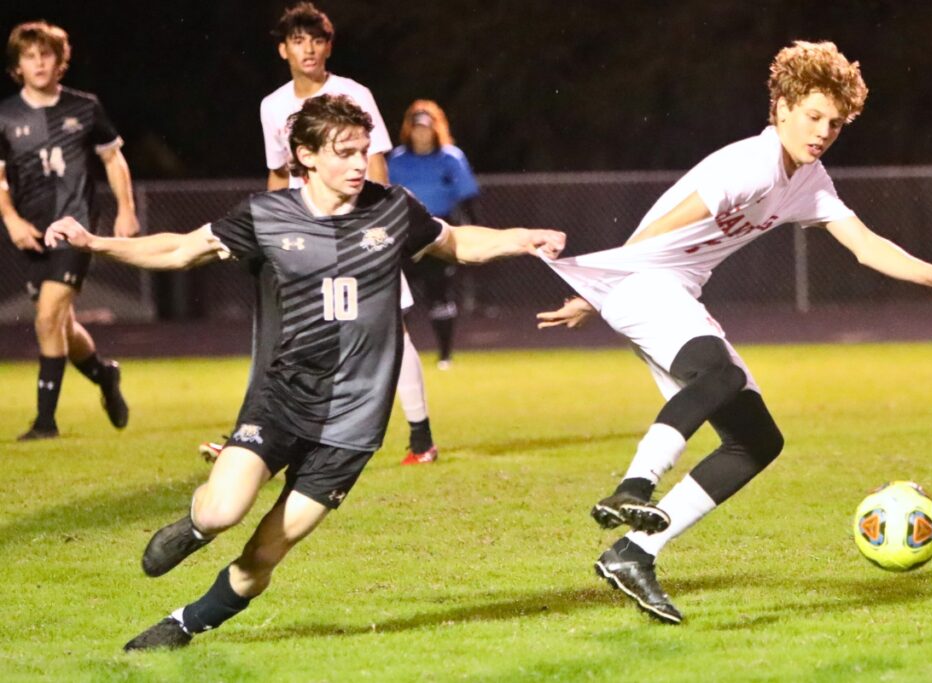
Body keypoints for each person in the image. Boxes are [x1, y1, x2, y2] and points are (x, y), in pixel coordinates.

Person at [45, 94, 565, 651]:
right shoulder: (266, 216)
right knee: (222, 512)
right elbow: (179, 251)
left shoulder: (392, 209)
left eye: (364, 150)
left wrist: (522, 239)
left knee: (266, 551)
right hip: (280, 400)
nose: (360, 163)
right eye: (344, 152)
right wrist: (96, 243)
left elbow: (456, 241)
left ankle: (184, 624)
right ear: (306, 155)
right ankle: (194, 527)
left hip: (354, 423)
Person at [537, 40, 932, 625]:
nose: (823, 131)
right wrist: (596, 288)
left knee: (756, 441)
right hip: (646, 284)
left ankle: (635, 551)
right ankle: (634, 487)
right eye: (813, 116)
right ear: (780, 107)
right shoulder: (749, 163)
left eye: (835, 122)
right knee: (720, 375)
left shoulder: (808, 177)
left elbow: (862, 244)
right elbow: (663, 226)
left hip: (665, 292)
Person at [201, 1, 439, 465]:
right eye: (298, 40)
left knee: (391, 330)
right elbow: (276, 176)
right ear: (282, 50)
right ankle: (250, 437)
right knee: (283, 337)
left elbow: (374, 165)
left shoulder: (353, 93)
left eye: (316, 40)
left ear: (329, 46)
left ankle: (420, 438)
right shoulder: (272, 106)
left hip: (355, 231)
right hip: (301, 240)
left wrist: (379, 227)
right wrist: (268, 238)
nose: (308, 49)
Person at [0, 20, 136, 441]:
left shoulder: (84, 107)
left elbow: (114, 160)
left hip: (74, 227)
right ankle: (104, 375)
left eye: (47, 54)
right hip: (32, 232)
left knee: (46, 319)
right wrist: (11, 219)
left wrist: (126, 211)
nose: (39, 62)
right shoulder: (5, 115)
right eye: (30, 56)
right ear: (17, 66)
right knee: (63, 324)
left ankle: (45, 422)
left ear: (60, 62)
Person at [389, 100, 481, 369]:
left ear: (435, 130)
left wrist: (474, 232)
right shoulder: (396, 159)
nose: (421, 133)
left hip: (438, 231)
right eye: (416, 128)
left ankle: (444, 355)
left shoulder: (450, 157)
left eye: (426, 128)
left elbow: (468, 200)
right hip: (403, 234)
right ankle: (399, 355)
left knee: (439, 294)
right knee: (397, 297)